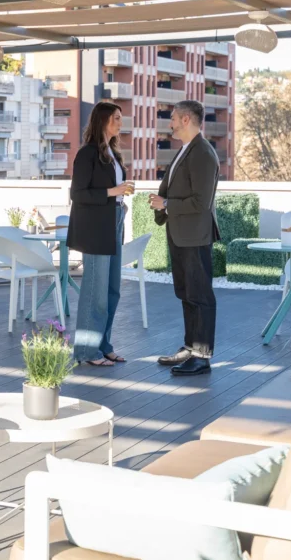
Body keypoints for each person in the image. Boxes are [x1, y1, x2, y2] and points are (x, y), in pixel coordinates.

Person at [149, 100, 220, 376]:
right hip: (181, 234)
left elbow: (201, 202)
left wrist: (166, 205)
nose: (170, 123)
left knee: (200, 296)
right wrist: (163, 204)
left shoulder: (202, 152)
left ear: (187, 119)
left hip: (195, 236)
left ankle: (202, 356)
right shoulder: (187, 149)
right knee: (187, 294)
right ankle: (191, 348)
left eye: (173, 118)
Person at [68, 102, 134, 367]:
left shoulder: (113, 154)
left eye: (120, 118)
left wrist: (120, 194)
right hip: (96, 228)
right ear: (103, 120)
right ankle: (87, 351)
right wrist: (112, 192)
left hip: (114, 221)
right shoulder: (87, 154)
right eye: (116, 118)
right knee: (95, 293)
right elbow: (78, 194)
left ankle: (104, 345)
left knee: (112, 291)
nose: (120, 123)